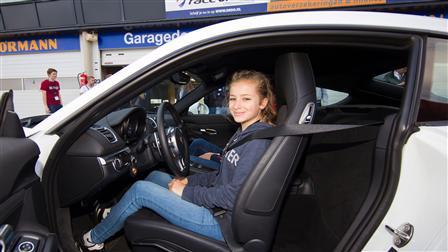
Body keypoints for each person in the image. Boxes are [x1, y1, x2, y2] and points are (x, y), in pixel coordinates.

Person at [78, 70, 277, 251]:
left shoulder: (257, 142)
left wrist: (187, 192)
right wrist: (189, 181)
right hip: (221, 210)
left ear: (263, 103)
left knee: (140, 190)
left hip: (223, 222)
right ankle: (114, 215)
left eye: (246, 99)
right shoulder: (246, 132)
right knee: (155, 175)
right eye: (233, 98)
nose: (236, 105)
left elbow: (232, 197)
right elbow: (221, 174)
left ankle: (92, 241)